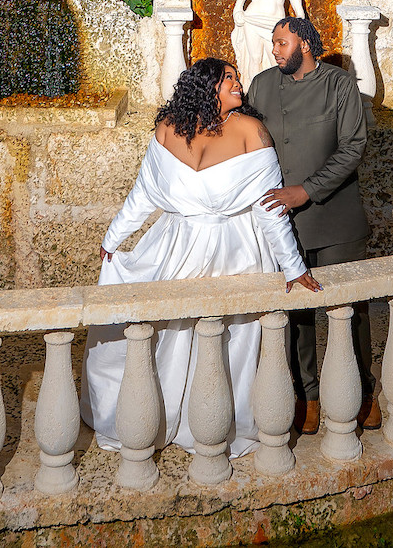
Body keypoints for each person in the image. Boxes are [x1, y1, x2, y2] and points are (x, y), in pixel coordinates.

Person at [80, 56, 322, 458]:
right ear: (206, 86)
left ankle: (218, 420)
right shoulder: (167, 128)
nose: (238, 83)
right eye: (229, 78)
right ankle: (156, 415)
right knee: (167, 332)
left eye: (237, 77)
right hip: (177, 247)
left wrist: (294, 267)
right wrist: (113, 238)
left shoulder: (250, 130)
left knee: (231, 337)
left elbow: (270, 208)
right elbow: (144, 194)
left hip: (235, 252)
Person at [245, 15, 379, 436]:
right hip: (282, 224)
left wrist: (306, 190)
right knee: (296, 315)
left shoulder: (340, 84)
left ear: (304, 43)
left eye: (281, 42)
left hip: (336, 218)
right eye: (273, 43)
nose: (274, 49)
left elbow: (354, 147)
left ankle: (363, 393)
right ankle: (307, 396)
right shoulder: (261, 85)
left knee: (350, 310)